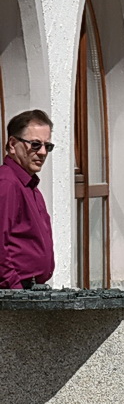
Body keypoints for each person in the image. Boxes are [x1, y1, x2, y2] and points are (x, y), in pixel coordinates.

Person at [1, 109, 55, 290]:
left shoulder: (28, 185)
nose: (42, 153)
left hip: (29, 290)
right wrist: (16, 290)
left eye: (47, 146)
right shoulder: (7, 183)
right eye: (35, 144)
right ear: (12, 144)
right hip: (14, 294)